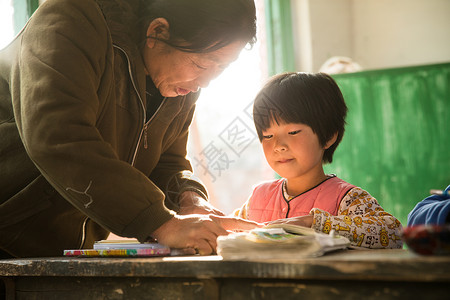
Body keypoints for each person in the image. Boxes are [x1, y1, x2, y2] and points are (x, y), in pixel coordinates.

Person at [0, 0, 260, 258]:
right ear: (157, 32)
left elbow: (167, 162)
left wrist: (189, 200)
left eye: (221, 67)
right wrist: (161, 223)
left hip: (60, 253)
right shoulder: (73, 18)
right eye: (201, 64)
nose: (205, 82)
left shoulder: (179, 80)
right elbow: (59, 138)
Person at [234, 72, 403, 249]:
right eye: (267, 135)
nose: (278, 146)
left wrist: (313, 222)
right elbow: (229, 235)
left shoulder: (347, 199)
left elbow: (393, 233)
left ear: (328, 136)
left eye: (293, 132)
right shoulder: (258, 197)